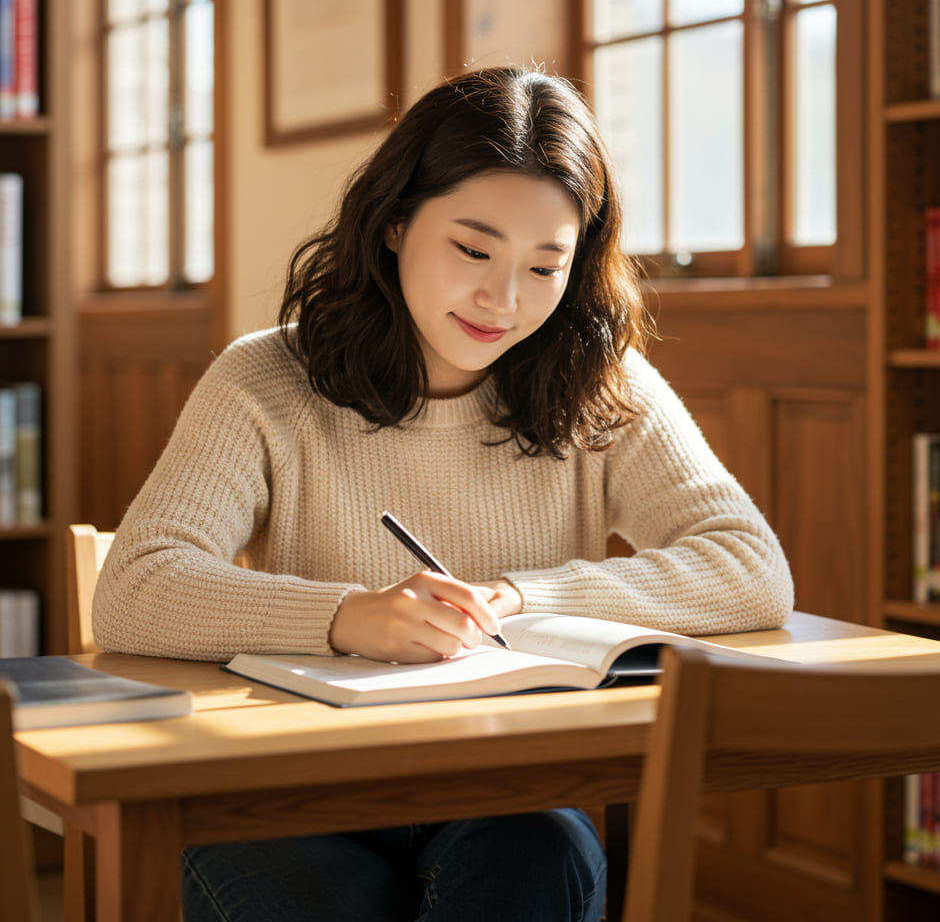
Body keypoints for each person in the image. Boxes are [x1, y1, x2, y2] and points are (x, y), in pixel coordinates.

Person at [93, 65, 793, 922]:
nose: (504, 300)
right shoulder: (265, 378)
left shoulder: (600, 383)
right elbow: (135, 587)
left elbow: (750, 566)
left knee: (549, 859)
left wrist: (520, 595)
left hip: (507, 786)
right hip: (287, 789)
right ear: (393, 222)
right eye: (473, 250)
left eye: (546, 266)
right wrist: (346, 616)